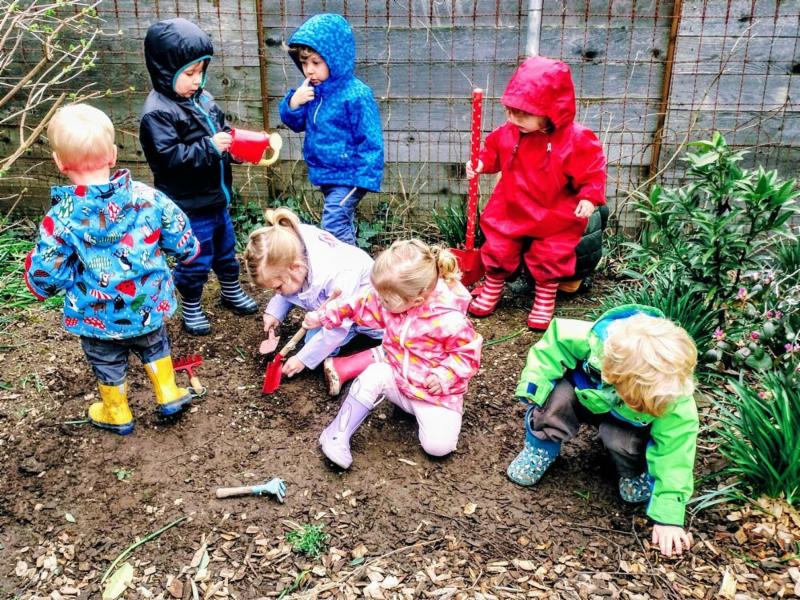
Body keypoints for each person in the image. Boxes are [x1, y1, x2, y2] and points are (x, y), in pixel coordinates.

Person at [24, 103, 201, 435]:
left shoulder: (61, 218)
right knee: (154, 344)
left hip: (97, 314)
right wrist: (188, 250)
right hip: (149, 303)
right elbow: (179, 232)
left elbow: (49, 270)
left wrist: (37, 282)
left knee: (105, 359)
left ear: (59, 163)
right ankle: (167, 392)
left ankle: (117, 411)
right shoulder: (148, 198)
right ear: (114, 155)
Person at [507, 305, 699, 558]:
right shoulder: (594, 340)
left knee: (622, 440)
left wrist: (669, 516)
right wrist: (535, 386)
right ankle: (541, 448)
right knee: (554, 405)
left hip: (628, 423)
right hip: (583, 394)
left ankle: (632, 470)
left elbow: (675, 454)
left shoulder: (672, 396)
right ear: (612, 370)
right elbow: (551, 347)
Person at [303, 240, 483, 469]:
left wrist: (444, 375)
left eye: (385, 299)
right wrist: (323, 316)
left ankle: (426, 414)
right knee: (375, 372)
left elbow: (467, 354)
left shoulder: (449, 320)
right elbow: (358, 304)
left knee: (438, 448)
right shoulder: (390, 300)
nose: (380, 301)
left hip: (432, 395)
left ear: (416, 300)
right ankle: (336, 434)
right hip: (397, 379)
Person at [467, 56, 607, 329]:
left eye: (523, 113)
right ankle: (493, 284)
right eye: (510, 110)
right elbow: (492, 152)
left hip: (554, 210)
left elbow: (592, 170)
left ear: (551, 111)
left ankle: (545, 294)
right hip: (511, 204)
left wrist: (589, 196)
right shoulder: (508, 132)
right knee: (498, 246)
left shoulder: (576, 139)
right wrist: (481, 163)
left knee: (551, 253)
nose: (513, 118)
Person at [140, 17, 258, 336]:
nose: (197, 80)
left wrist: (235, 147)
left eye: (201, 71)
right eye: (189, 74)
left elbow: (220, 133)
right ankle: (191, 303)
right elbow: (170, 160)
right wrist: (209, 148)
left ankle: (231, 289)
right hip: (188, 205)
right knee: (194, 258)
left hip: (217, 199)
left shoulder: (202, 99)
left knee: (225, 251)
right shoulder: (158, 113)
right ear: (166, 71)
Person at [279, 13, 384, 246]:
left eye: (316, 63)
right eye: (304, 63)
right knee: (342, 223)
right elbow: (295, 123)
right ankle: (357, 273)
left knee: (333, 224)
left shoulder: (356, 95)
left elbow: (371, 140)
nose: (309, 70)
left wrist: (363, 177)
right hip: (328, 174)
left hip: (351, 174)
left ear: (335, 59)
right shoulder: (312, 92)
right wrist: (294, 103)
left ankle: (354, 272)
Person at [243, 208, 382, 381]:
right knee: (312, 342)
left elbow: (338, 325)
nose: (276, 292)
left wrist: (302, 359)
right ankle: (351, 335)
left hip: (373, 310)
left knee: (389, 336)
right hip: (332, 309)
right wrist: (275, 312)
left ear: (295, 268)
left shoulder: (338, 275)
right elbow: (289, 290)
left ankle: (374, 350)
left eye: (278, 287)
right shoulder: (292, 250)